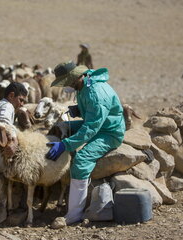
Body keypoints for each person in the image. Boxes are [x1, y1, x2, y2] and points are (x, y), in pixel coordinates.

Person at [46, 61, 125, 227]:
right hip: (97, 124)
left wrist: (66, 145)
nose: (67, 86)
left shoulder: (96, 93)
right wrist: (78, 110)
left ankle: (74, 214)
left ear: (75, 78)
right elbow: (91, 117)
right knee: (60, 127)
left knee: (81, 160)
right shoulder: (85, 86)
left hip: (109, 132)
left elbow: (90, 128)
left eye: (67, 82)